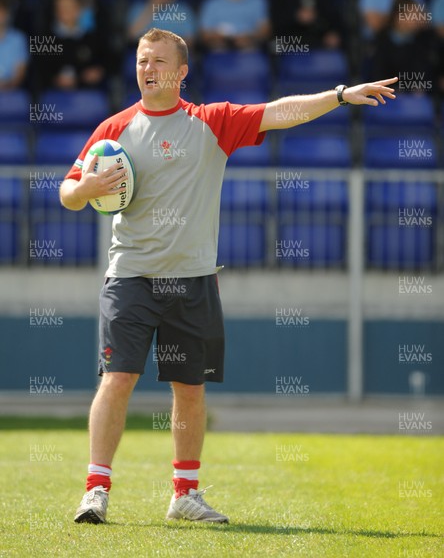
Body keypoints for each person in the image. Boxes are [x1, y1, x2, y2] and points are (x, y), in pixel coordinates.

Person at [60, 28, 397, 524]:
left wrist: (341, 95)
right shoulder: (112, 129)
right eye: (140, 60)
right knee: (118, 378)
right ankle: (95, 490)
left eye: (157, 61)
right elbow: (66, 193)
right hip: (130, 277)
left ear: (181, 72)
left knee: (190, 389)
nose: (146, 68)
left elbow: (282, 111)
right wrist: (85, 187)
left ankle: (184, 495)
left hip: (193, 280)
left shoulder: (210, 122)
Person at [36, 0, 105, 90]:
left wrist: (97, 71)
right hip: (53, 94)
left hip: (86, 93)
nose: (65, 11)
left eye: (70, 7)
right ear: (55, 11)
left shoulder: (93, 37)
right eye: (61, 7)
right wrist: (55, 79)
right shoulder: (44, 38)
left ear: (79, 9)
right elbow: (38, 70)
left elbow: (104, 64)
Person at [370, 0, 434, 93]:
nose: (416, 19)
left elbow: (428, 76)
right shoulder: (381, 42)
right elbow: (378, 76)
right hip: (389, 98)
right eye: (411, 14)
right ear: (398, 17)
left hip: (418, 98)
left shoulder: (424, 40)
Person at [127, 0, 196, 49]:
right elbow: (132, 35)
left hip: (175, 54)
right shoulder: (138, 8)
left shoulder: (183, 10)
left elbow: (190, 40)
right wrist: (153, 7)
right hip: (147, 53)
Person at [0, 0, 28, 89]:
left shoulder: (18, 38)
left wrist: (8, 85)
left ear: (7, 14)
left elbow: (20, 72)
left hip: (11, 90)